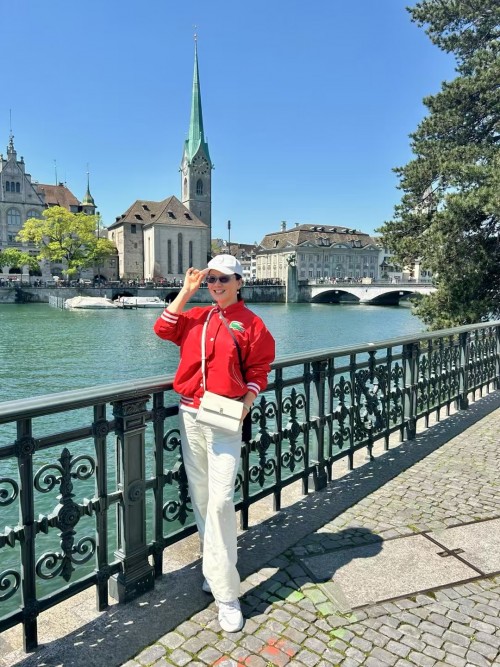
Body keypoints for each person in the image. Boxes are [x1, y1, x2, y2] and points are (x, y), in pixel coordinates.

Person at [153, 254, 275, 632]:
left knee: (221, 501)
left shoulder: (252, 324)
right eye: (212, 279)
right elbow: (162, 328)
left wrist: (246, 404)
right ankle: (214, 569)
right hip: (190, 414)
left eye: (224, 278)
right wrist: (186, 291)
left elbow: (259, 369)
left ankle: (226, 594)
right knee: (203, 497)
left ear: (239, 282)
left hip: (225, 416)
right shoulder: (196, 317)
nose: (217, 285)